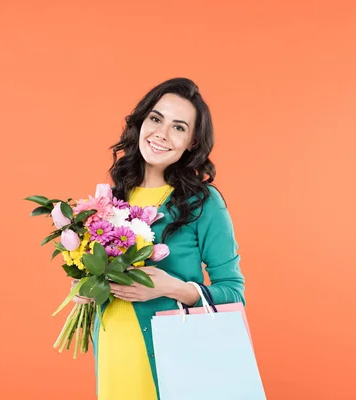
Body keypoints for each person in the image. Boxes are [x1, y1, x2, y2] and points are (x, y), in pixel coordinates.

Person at [72, 77, 245, 400]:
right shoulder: (110, 199)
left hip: (174, 362)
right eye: (156, 119)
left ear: (192, 142)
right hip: (113, 353)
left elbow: (234, 293)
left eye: (179, 127)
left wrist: (171, 287)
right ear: (141, 122)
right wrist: (85, 287)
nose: (161, 134)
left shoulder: (202, 203)